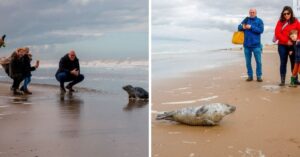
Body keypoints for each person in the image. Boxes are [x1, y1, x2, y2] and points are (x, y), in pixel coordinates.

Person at [275, 6, 300, 86]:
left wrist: (298, 39)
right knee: (283, 62)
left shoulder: (295, 21)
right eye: (284, 13)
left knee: (294, 62)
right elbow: (277, 33)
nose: (286, 15)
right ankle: (282, 81)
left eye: (288, 13)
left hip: (293, 46)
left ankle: (295, 80)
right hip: (282, 45)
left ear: (291, 13)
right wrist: (286, 41)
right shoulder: (280, 22)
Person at [238, 8, 264, 82]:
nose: (252, 13)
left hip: (257, 46)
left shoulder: (259, 20)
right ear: (249, 13)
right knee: (248, 62)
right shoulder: (246, 20)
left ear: (256, 13)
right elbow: (239, 27)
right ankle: (250, 76)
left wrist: (251, 27)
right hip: (247, 46)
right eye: (250, 12)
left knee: (258, 62)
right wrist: (243, 27)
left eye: (253, 12)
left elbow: (261, 30)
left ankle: (259, 76)